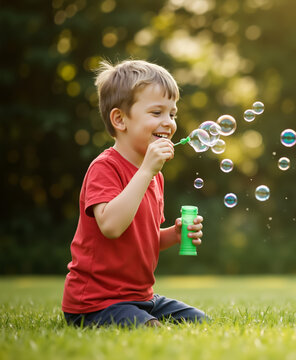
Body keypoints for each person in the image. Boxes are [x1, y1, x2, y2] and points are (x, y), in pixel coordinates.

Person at [62, 59, 207, 327]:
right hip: (96, 302)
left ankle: (145, 312)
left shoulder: (154, 175)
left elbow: (144, 238)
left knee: (200, 322)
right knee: (151, 328)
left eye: (172, 114)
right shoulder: (105, 167)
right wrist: (145, 173)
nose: (169, 122)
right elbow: (112, 227)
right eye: (157, 113)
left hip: (142, 297)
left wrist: (174, 235)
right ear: (120, 119)